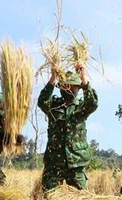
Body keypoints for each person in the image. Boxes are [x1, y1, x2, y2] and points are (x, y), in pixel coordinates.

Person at [37, 63, 98, 192]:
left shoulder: (82, 108)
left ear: (78, 88)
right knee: (49, 199)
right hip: (54, 162)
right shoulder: (53, 106)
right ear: (60, 87)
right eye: (65, 85)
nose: (69, 88)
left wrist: (83, 77)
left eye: (73, 86)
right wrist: (53, 78)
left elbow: (93, 102)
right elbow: (42, 102)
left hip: (76, 162)